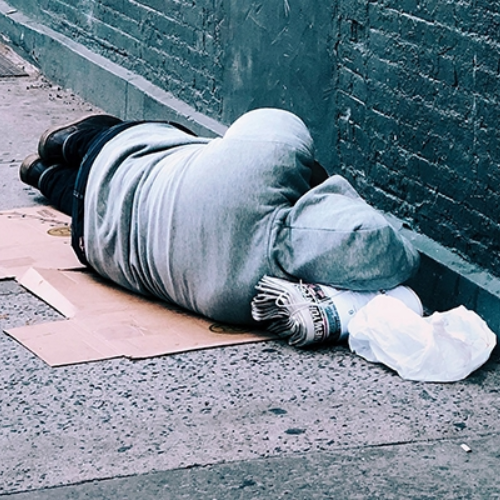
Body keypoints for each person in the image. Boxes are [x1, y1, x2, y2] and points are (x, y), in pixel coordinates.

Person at [20, 108, 419, 326]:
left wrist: (318, 180)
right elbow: (392, 254)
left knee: (110, 143)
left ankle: (60, 144)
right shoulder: (246, 299)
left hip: (125, 154)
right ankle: (41, 175)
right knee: (83, 198)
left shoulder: (266, 160)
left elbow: (274, 120)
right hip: (95, 241)